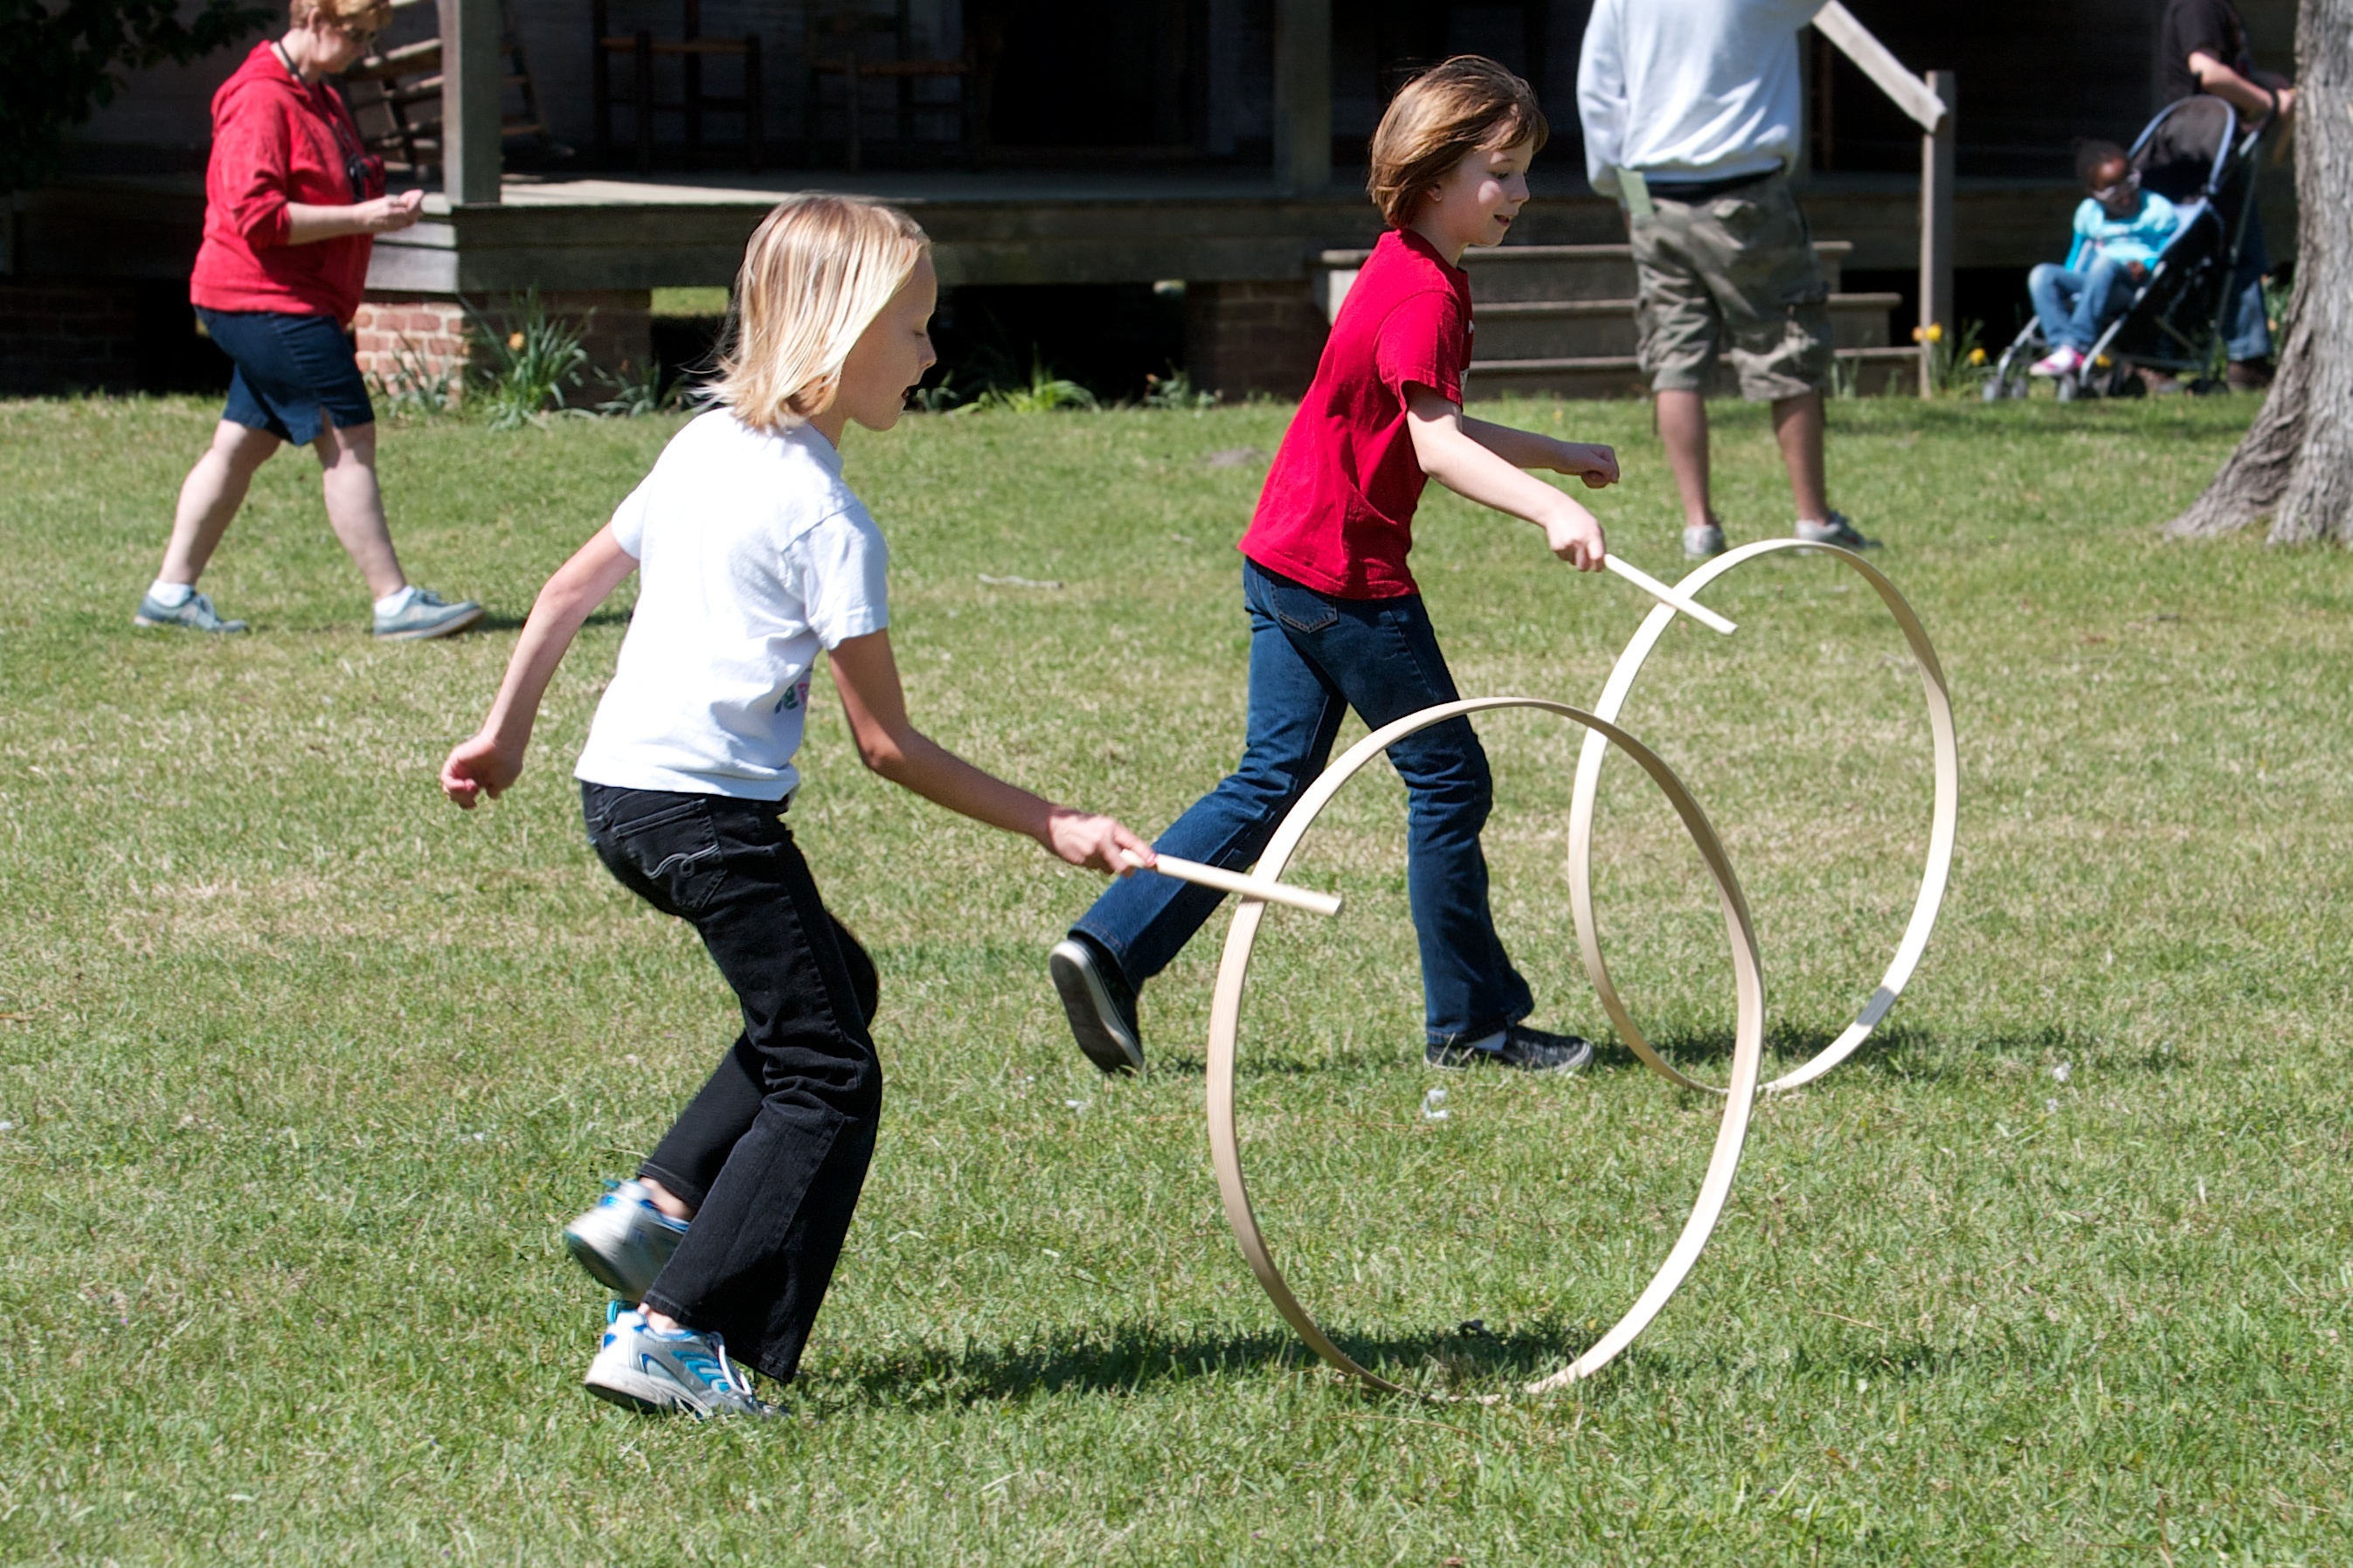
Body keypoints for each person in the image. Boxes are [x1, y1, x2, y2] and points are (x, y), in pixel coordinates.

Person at [438, 195, 1152, 1417]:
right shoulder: (829, 516)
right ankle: (676, 1329)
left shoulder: (703, 442)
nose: (931, 355)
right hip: (708, 817)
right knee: (829, 1070)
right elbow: (887, 745)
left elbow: (565, 589)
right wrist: (1054, 822)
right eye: (915, 329)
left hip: (618, 796)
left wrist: (504, 735)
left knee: (833, 986)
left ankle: (657, 1205)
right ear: (841, 333)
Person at [1047, 58, 1616, 1081]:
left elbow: (1422, 419)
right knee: (1448, 778)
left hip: (1282, 557)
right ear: (1435, 174)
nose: (1521, 193)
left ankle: (1107, 949)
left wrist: (1555, 452)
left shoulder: (1398, 263)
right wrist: (1551, 508)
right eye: (1503, 173)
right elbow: (1433, 443)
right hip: (1347, 581)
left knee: (1269, 779)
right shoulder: (1427, 294)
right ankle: (1473, 1025)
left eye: (1525, 170)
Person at [141, 0, 481, 639]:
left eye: (369, 36)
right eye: (354, 34)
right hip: (266, 299)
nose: (362, 49)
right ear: (313, 17)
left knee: (242, 443)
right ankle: (393, 601)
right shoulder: (260, 99)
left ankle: (169, 593)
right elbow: (259, 216)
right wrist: (364, 218)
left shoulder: (315, 94)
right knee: (348, 436)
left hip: (288, 297)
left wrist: (376, 207)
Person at [1576, 0, 1873, 562]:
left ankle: (1699, 529)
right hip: (1747, 191)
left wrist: (1621, 190)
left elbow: (1598, 93)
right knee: (1785, 342)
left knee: (1674, 356)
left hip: (1651, 193)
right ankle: (1814, 520)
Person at [2159, 0, 2293, 389]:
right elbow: (2208, 73)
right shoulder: (2198, 5)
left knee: (2238, 251)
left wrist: (2264, 83)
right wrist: (2267, 103)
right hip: (2200, 153)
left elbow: (2227, 71)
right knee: (2229, 253)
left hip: (2219, 148)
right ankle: (2242, 358)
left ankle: (2244, 359)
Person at [2025, 141, 2181, 379]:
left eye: (2129, 183)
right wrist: (2067, 287)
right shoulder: (2088, 214)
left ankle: (2077, 346)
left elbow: (2168, 251)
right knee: (2041, 275)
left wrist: (2147, 266)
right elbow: (2076, 256)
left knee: (2104, 264)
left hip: (2130, 284)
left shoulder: (2157, 211)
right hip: (2092, 282)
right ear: (2093, 193)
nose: (2126, 196)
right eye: (2112, 192)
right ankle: (2062, 347)